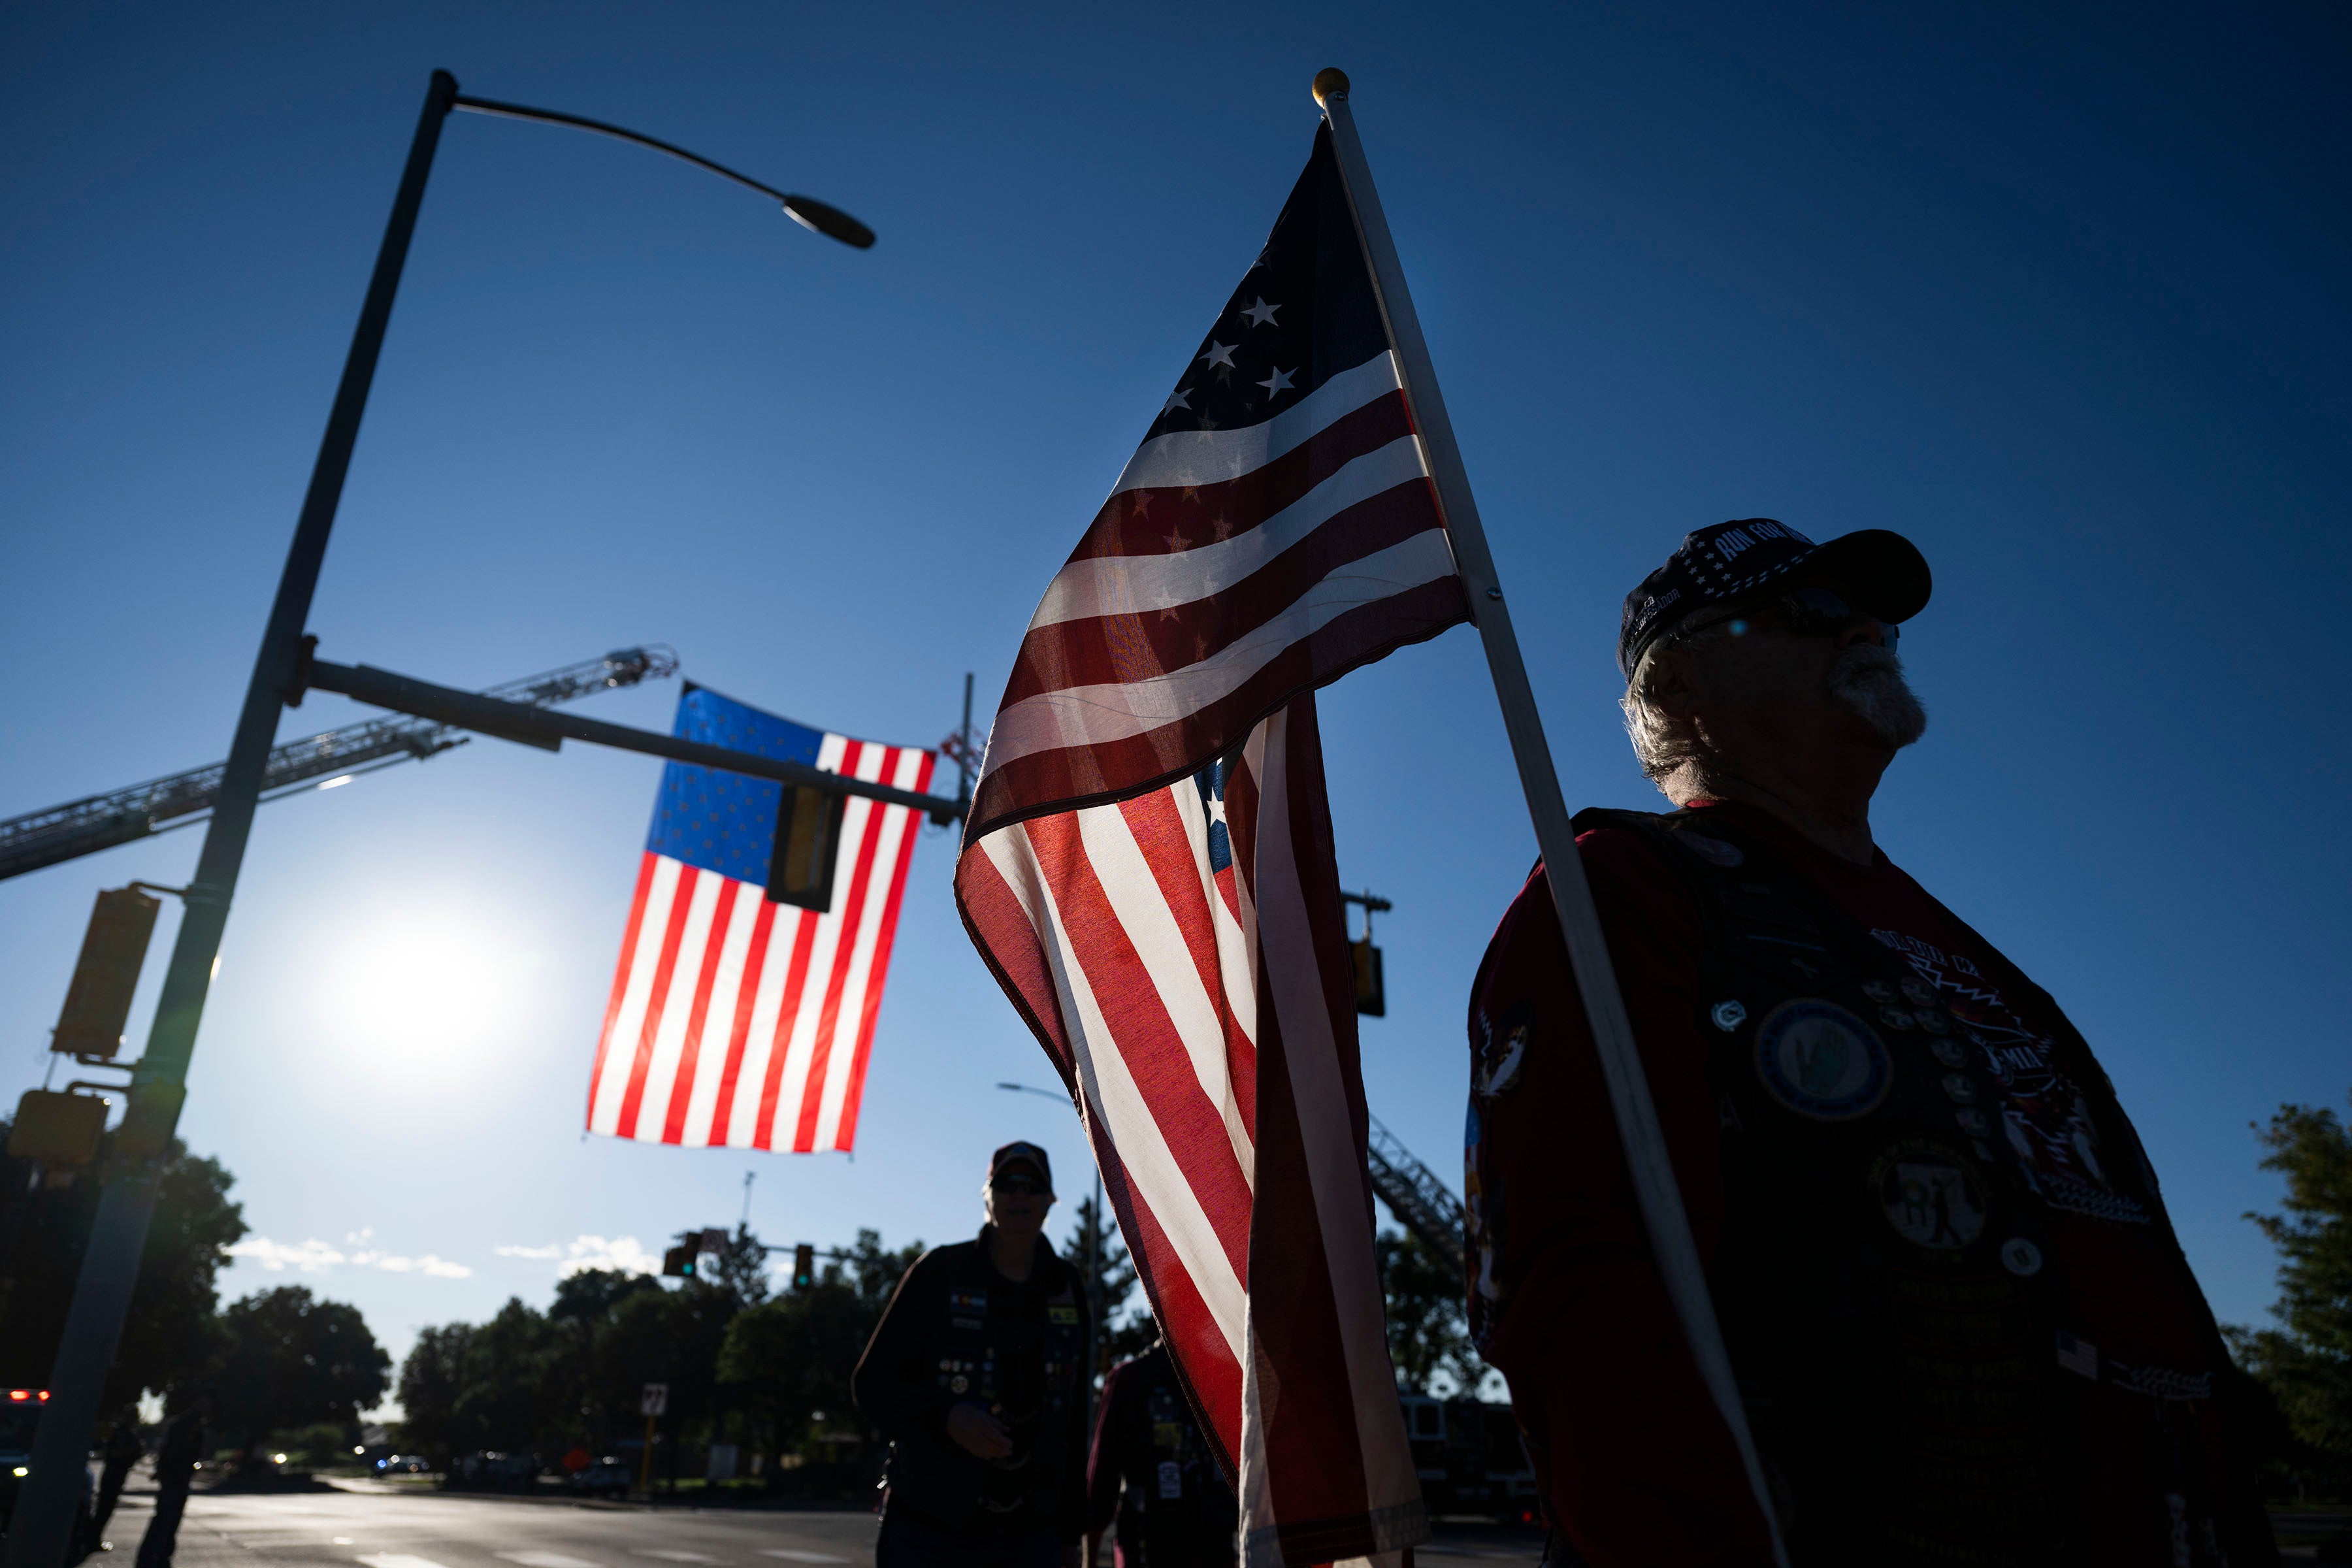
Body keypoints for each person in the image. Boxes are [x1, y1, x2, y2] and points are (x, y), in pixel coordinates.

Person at [1463, 519, 2275, 1567]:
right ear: (1679, 693)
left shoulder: (1956, 940)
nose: (1864, 629)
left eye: (1872, 614)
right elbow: (1580, 1297)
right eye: (1806, 613)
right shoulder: (1625, 891)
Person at [855, 1141, 1092, 1568]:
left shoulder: (1067, 1287)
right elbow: (873, 1384)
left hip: (1033, 1531)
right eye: (1007, 1184)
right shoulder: (940, 1273)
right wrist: (947, 1418)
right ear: (988, 1196)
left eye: (1033, 1185)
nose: (1019, 1194)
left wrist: (1072, 1534)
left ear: (1051, 1201)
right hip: (931, 1527)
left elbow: (1076, 1421)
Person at [1083, 1330, 1237, 1568]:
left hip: (1207, 1540)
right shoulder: (1132, 1380)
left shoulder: (1222, 1375)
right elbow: (1103, 1477)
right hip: (1151, 1540)